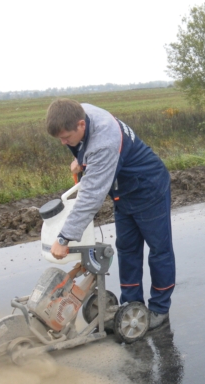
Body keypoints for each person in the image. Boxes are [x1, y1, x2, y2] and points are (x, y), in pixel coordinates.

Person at [46, 99, 175, 330]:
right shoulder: (81, 111)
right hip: (122, 190)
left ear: (81, 125)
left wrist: (65, 237)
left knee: (159, 250)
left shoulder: (103, 143)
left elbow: (91, 197)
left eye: (66, 138)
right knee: (127, 248)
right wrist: (81, 159)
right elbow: (86, 149)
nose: (63, 142)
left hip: (148, 189)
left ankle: (159, 309)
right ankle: (132, 303)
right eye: (60, 139)